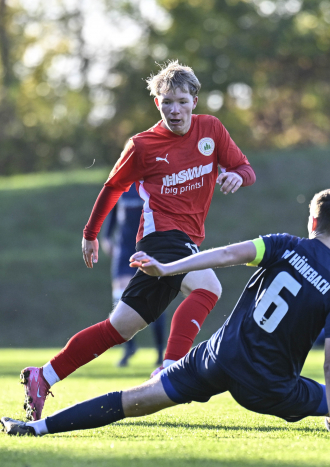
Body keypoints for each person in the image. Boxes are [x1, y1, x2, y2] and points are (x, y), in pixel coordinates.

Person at [1, 189, 330, 438]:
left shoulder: (283, 244)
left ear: (312, 220)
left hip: (218, 358)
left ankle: (35, 428)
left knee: (135, 399)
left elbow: (227, 254)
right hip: (270, 386)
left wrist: (168, 268)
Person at [18, 61, 257, 421]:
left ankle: (44, 376)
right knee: (208, 287)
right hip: (160, 237)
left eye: (181, 102)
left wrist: (238, 176)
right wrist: (90, 233)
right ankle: (171, 368)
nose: (174, 110)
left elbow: (246, 169)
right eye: (167, 103)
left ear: (194, 101)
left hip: (185, 240)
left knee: (120, 327)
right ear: (157, 104)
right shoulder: (143, 145)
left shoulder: (211, 129)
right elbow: (113, 187)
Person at [101, 184, 167, 367]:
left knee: (155, 298)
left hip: (148, 247)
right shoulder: (122, 183)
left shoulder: (153, 182)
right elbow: (113, 209)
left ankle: (160, 351)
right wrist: (106, 236)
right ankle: (129, 348)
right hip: (123, 248)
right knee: (120, 297)